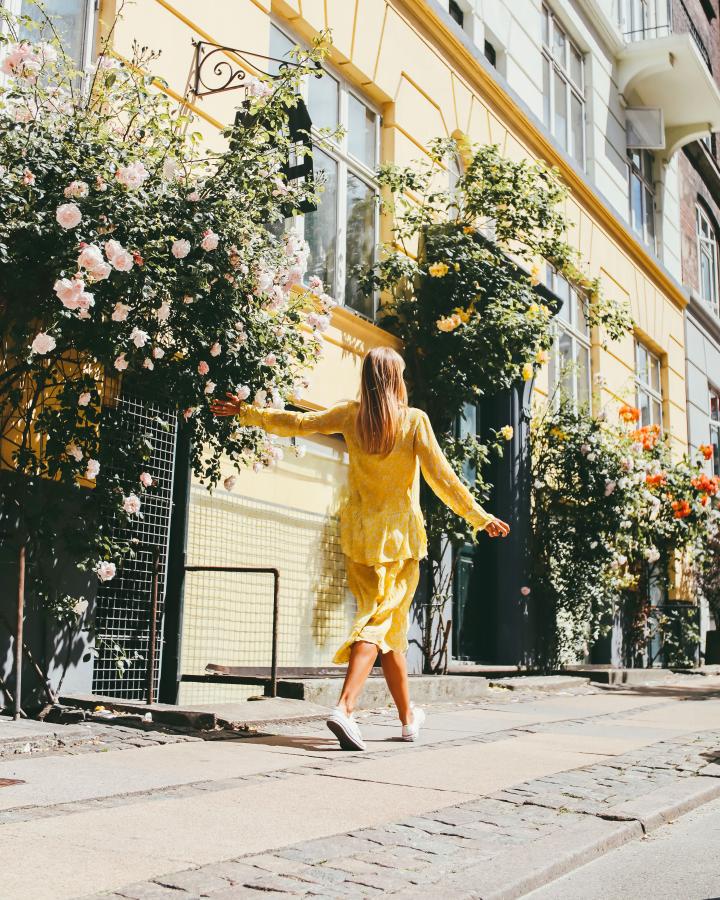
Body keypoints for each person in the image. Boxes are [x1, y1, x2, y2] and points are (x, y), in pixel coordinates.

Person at [212, 346, 510, 751]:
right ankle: (345, 708)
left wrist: (247, 414)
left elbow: (298, 422)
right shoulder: (413, 422)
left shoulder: (349, 415)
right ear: (395, 380)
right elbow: (445, 479)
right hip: (400, 541)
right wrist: (480, 516)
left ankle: (408, 717)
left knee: (389, 630)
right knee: (376, 624)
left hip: (359, 537)